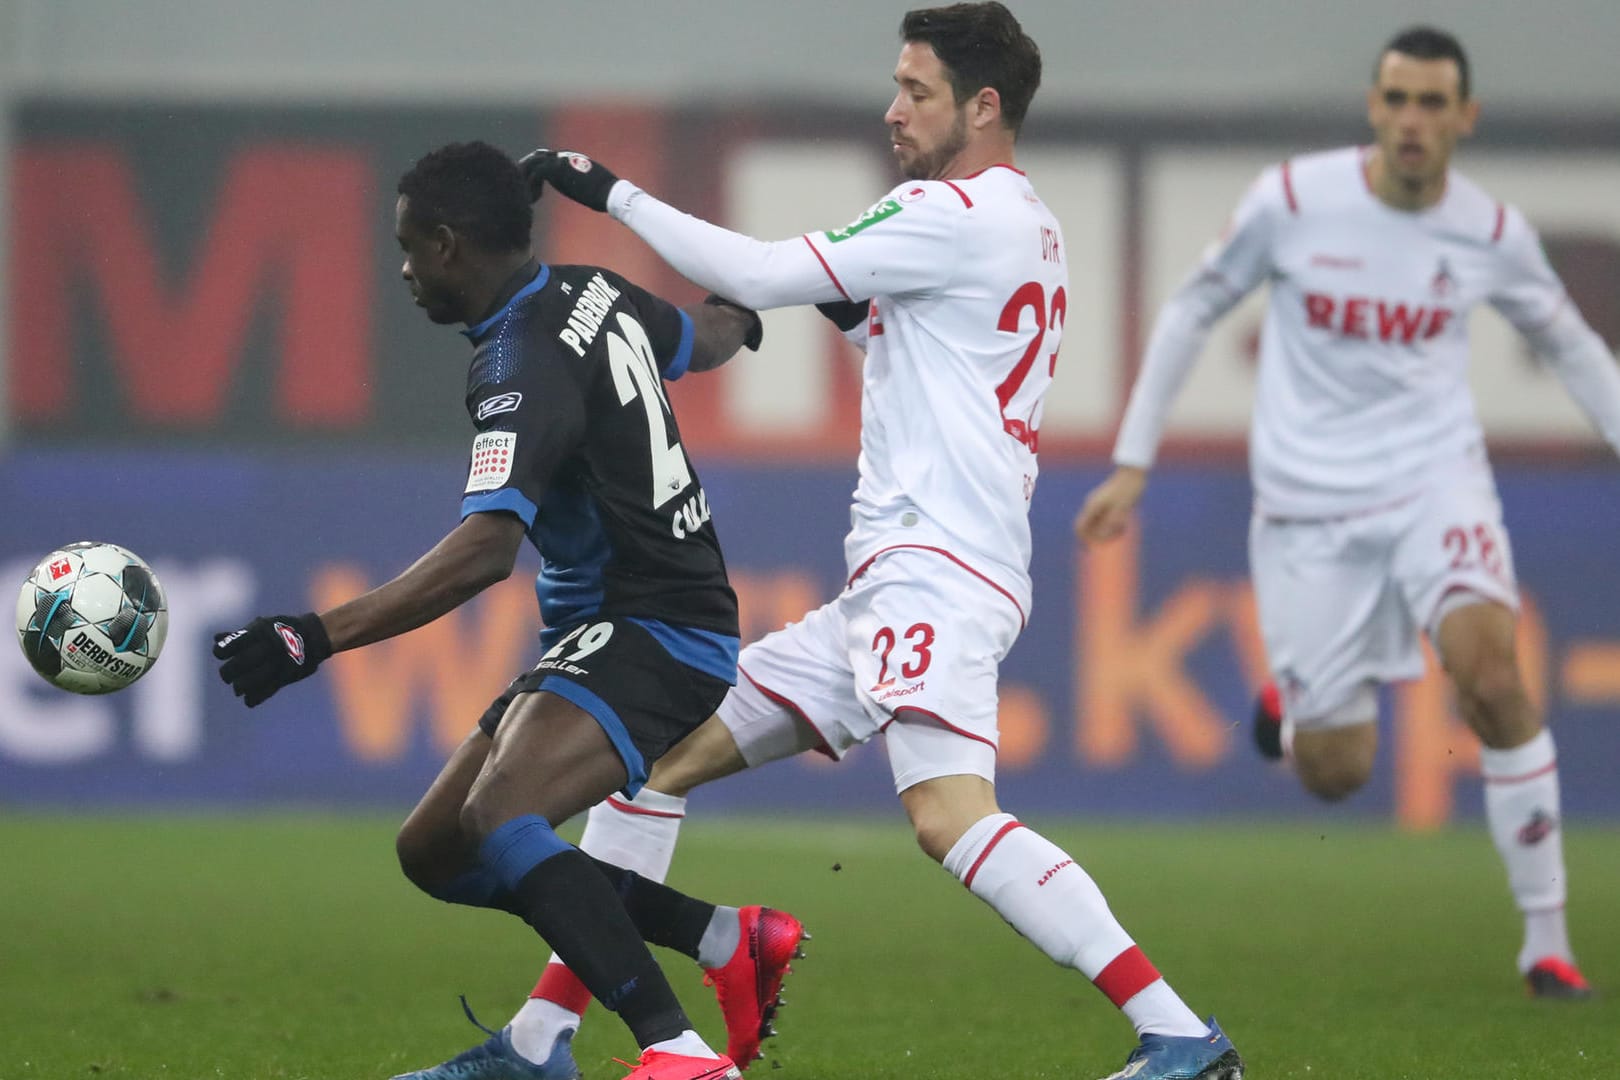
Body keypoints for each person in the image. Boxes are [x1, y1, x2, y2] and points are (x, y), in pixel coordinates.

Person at [406, 7, 1244, 1080]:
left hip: (934, 579)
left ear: (983, 107)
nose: (894, 111)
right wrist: (805, 302)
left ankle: (1177, 1032)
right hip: (904, 585)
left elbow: (759, 273)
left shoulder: (953, 212)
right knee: (656, 757)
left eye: (918, 91)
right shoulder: (1022, 223)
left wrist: (605, 191)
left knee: (950, 816)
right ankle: (543, 1039)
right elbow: (880, 329)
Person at [213, 139, 800, 1080]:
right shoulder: (592, 291)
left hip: (658, 627)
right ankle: (723, 939)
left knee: (503, 815)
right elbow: (699, 339)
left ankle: (681, 1053)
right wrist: (744, 312)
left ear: (449, 245)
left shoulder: (517, 363)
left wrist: (312, 636)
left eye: (409, 247)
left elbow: (485, 554)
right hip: (618, 626)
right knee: (437, 849)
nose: (403, 269)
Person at [1076, 26, 1617, 1000]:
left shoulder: (1490, 235)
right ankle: (1293, 707)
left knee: (1493, 676)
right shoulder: (1293, 202)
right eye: (1397, 100)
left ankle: (1546, 941)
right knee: (1334, 772)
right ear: (1375, 108)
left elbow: (1573, 345)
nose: (1412, 121)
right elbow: (1194, 307)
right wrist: (1131, 462)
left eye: (1432, 103)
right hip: (1307, 509)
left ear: (1465, 117)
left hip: (1433, 484)